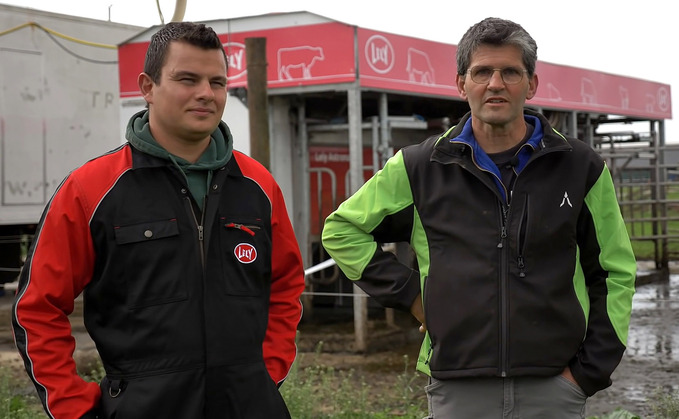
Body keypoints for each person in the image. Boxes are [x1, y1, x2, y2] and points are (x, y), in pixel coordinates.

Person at [322, 17, 636, 418]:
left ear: (532, 84)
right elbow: (342, 230)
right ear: (461, 84)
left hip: (554, 387)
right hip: (458, 386)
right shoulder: (420, 166)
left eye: (510, 72)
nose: (495, 83)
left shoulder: (580, 167)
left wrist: (588, 373)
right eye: (482, 72)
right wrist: (415, 299)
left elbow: (615, 271)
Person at [12, 21, 305, 419]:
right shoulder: (91, 189)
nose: (206, 93)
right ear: (147, 87)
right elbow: (37, 307)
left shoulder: (258, 185)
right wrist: (75, 409)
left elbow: (286, 286)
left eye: (217, 82)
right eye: (187, 79)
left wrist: (264, 374)